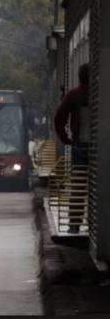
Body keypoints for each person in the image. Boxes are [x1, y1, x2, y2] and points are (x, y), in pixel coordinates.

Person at [54, 63, 89, 233]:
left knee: (78, 186)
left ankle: (74, 224)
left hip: (79, 146)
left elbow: (59, 117)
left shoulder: (73, 95)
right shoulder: (101, 94)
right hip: (101, 147)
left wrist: (65, 139)